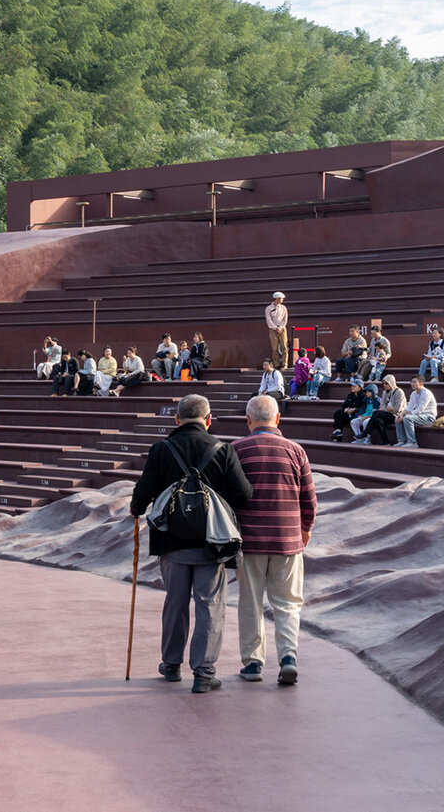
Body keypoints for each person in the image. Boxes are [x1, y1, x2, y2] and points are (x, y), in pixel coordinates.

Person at [129, 394, 254, 693]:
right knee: (210, 604)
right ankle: (203, 672)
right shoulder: (222, 450)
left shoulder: (161, 449)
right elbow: (243, 494)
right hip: (212, 543)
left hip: (171, 541)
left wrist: (136, 510)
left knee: (175, 603)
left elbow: (142, 494)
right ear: (208, 419)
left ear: (176, 419)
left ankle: (171, 665)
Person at [231, 395, 315, 686]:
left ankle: (253, 663)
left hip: (249, 540)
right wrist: (304, 529)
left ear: (248, 420)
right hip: (287, 540)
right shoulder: (296, 451)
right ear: (278, 419)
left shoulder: (236, 450)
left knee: (250, 602)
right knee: (288, 603)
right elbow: (309, 500)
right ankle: (288, 658)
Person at [398, 375, 439, 447]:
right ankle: (402, 440)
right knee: (398, 418)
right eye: (411, 382)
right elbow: (409, 407)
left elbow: (420, 409)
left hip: (428, 417)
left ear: (421, 383)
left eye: (414, 382)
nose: (412, 384)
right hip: (418, 416)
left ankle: (412, 442)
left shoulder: (426, 393)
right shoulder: (413, 393)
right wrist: (401, 414)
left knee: (407, 418)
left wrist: (407, 415)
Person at [367, 374, 404, 445]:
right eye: (383, 383)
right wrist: (387, 409)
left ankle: (366, 433)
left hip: (396, 415)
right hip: (387, 414)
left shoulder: (399, 392)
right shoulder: (384, 392)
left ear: (391, 383)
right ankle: (385, 441)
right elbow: (382, 405)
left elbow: (398, 409)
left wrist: (386, 409)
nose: (384, 385)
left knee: (376, 413)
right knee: (377, 420)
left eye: (386, 383)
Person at [265, 292, 290, 369]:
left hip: (282, 328)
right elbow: (269, 320)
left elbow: (285, 319)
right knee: (274, 347)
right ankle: (276, 364)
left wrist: (281, 327)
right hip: (273, 329)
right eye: (280, 298)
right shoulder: (268, 308)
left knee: (284, 346)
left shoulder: (284, 308)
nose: (282, 300)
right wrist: (275, 328)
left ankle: (285, 363)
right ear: (276, 299)